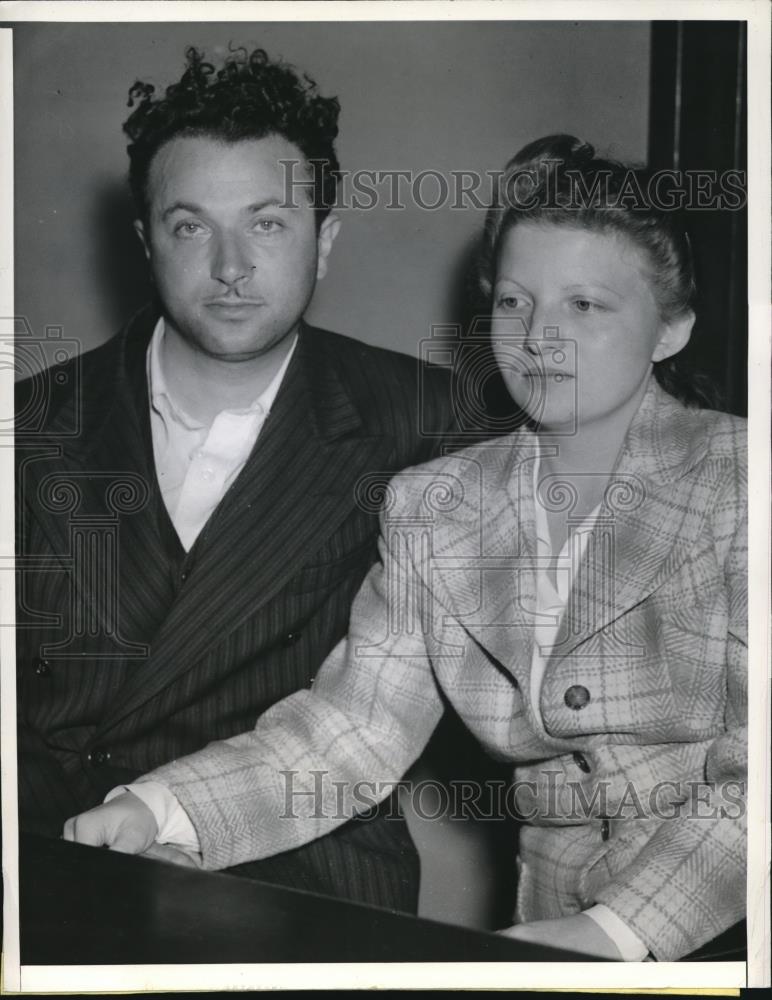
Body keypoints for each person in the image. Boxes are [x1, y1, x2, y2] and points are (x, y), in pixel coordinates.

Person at [65, 135, 747, 962]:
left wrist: (617, 931)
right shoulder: (437, 503)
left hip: (731, 919)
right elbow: (350, 734)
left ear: (671, 329)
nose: (540, 338)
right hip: (551, 928)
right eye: (514, 303)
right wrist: (160, 810)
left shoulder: (742, 482)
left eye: (586, 307)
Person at [15, 45, 459, 912]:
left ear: (324, 241)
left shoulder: (429, 421)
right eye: (191, 226)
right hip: (56, 869)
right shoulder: (27, 423)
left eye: (267, 223)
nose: (229, 267)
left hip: (307, 883)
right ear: (146, 242)